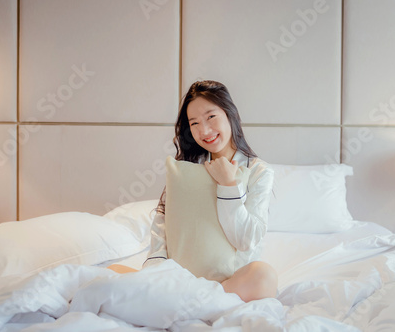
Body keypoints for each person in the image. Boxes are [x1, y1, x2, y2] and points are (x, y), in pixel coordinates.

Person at [109, 80, 277, 302]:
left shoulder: (258, 172)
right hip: (178, 278)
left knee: (264, 277)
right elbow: (163, 226)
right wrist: (156, 272)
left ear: (230, 114)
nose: (204, 130)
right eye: (194, 123)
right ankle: (182, 297)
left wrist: (228, 185)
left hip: (229, 282)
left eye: (210, 117)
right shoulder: (187, 167)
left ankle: (178, 300)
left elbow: (246, 240)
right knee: (110, 272)